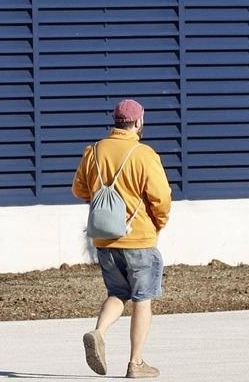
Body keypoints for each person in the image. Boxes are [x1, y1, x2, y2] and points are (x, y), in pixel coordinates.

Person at [72, 98, 171, 379]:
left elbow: (79, 189)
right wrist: (158, 224)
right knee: (142, 299)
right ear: (138, 123)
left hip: (105, 240)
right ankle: (136, 363)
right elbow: (161, 198)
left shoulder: (94, 151)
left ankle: (98, 332)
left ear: (115, 121)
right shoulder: (143, 154)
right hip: (138, 239)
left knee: (118, 293)